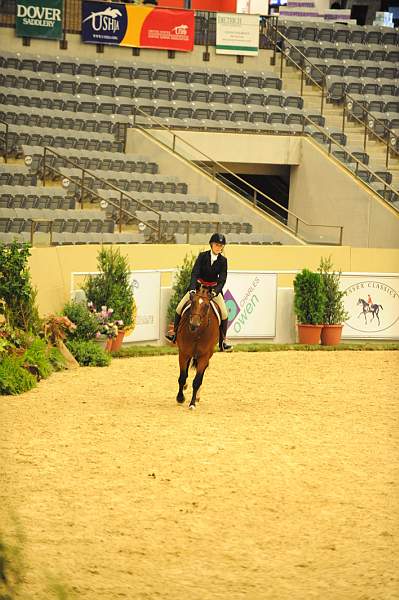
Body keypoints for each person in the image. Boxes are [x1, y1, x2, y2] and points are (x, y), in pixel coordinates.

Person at [166, 233, 233, 352]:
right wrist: (192, 288)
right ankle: (174, 334)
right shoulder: (202, 256)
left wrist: (215, 292)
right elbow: (194, 273)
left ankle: (223, 341)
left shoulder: (223, 261)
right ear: (211, 244)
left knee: (224, 313)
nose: (219, 247)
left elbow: (222, 279)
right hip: (198, 288)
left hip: (213, 291)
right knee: (180, 307)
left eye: (221, 246)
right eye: (217, 245)